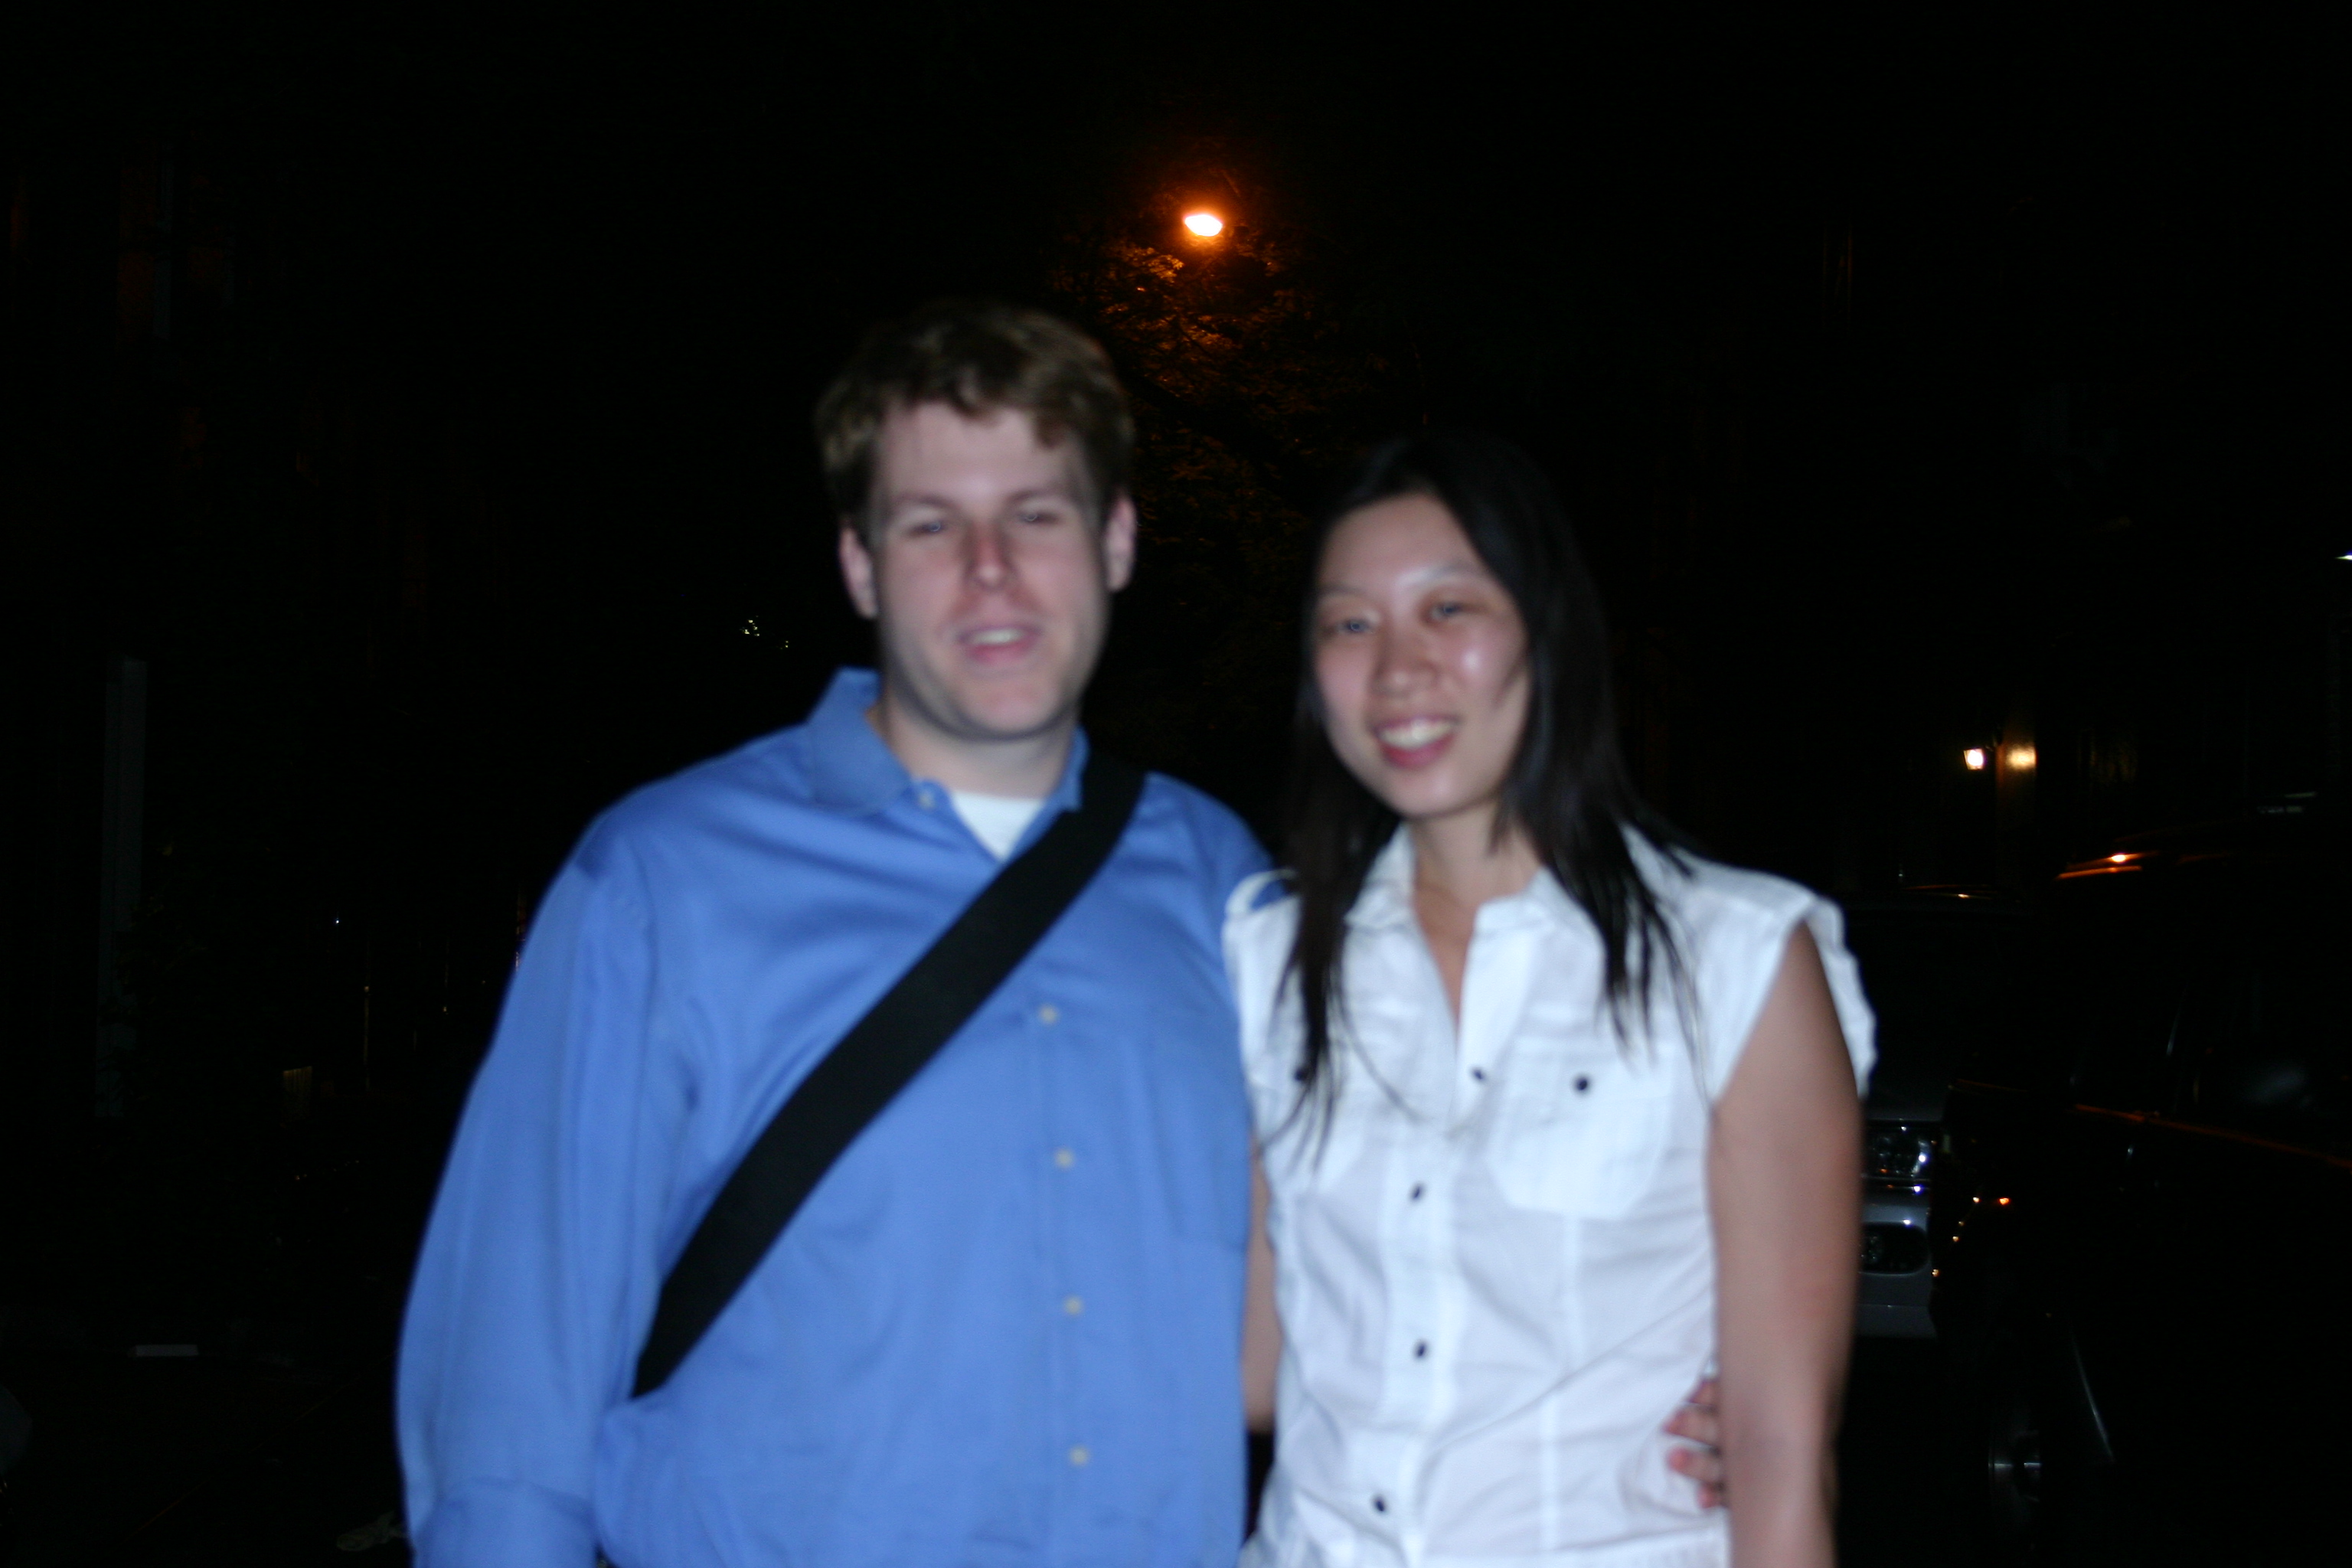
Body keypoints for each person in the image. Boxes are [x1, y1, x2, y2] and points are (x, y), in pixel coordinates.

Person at [397, 302, 1272, 1566]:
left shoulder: (1218, 881)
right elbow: (512, 1388)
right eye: (931, 524)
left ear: (1117, 540)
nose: (991, 568)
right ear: (860, 565)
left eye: (1037, 514)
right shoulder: (664, 884)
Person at [1227, 430, 1873, 1568]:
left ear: (1548, 632)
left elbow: (1779, 1455)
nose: (1397, 669)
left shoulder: (1734, 962)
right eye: (1349, 624)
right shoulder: (1269, 958)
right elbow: (1259, 1369)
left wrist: (1762, 1435)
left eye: (1449, 609)